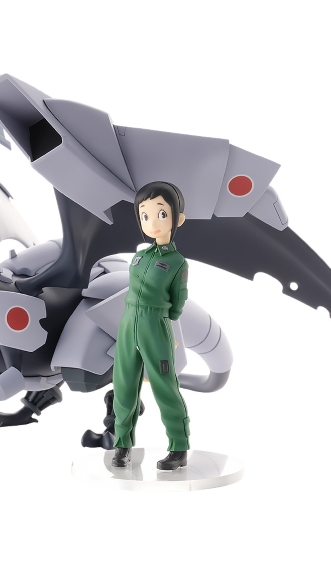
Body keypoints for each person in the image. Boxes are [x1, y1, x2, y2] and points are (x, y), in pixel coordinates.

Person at [112, 181, 190, 470]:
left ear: (177, 219)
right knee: (123, 386)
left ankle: (179, 447)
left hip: (155, 325)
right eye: (145, 215)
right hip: (127, 323)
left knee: (164, 387)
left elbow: (178, 302)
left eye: (161, 214)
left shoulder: (177, 262)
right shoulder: (138, 257)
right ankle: (122, 444)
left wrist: (166, 330)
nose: (153, 223)